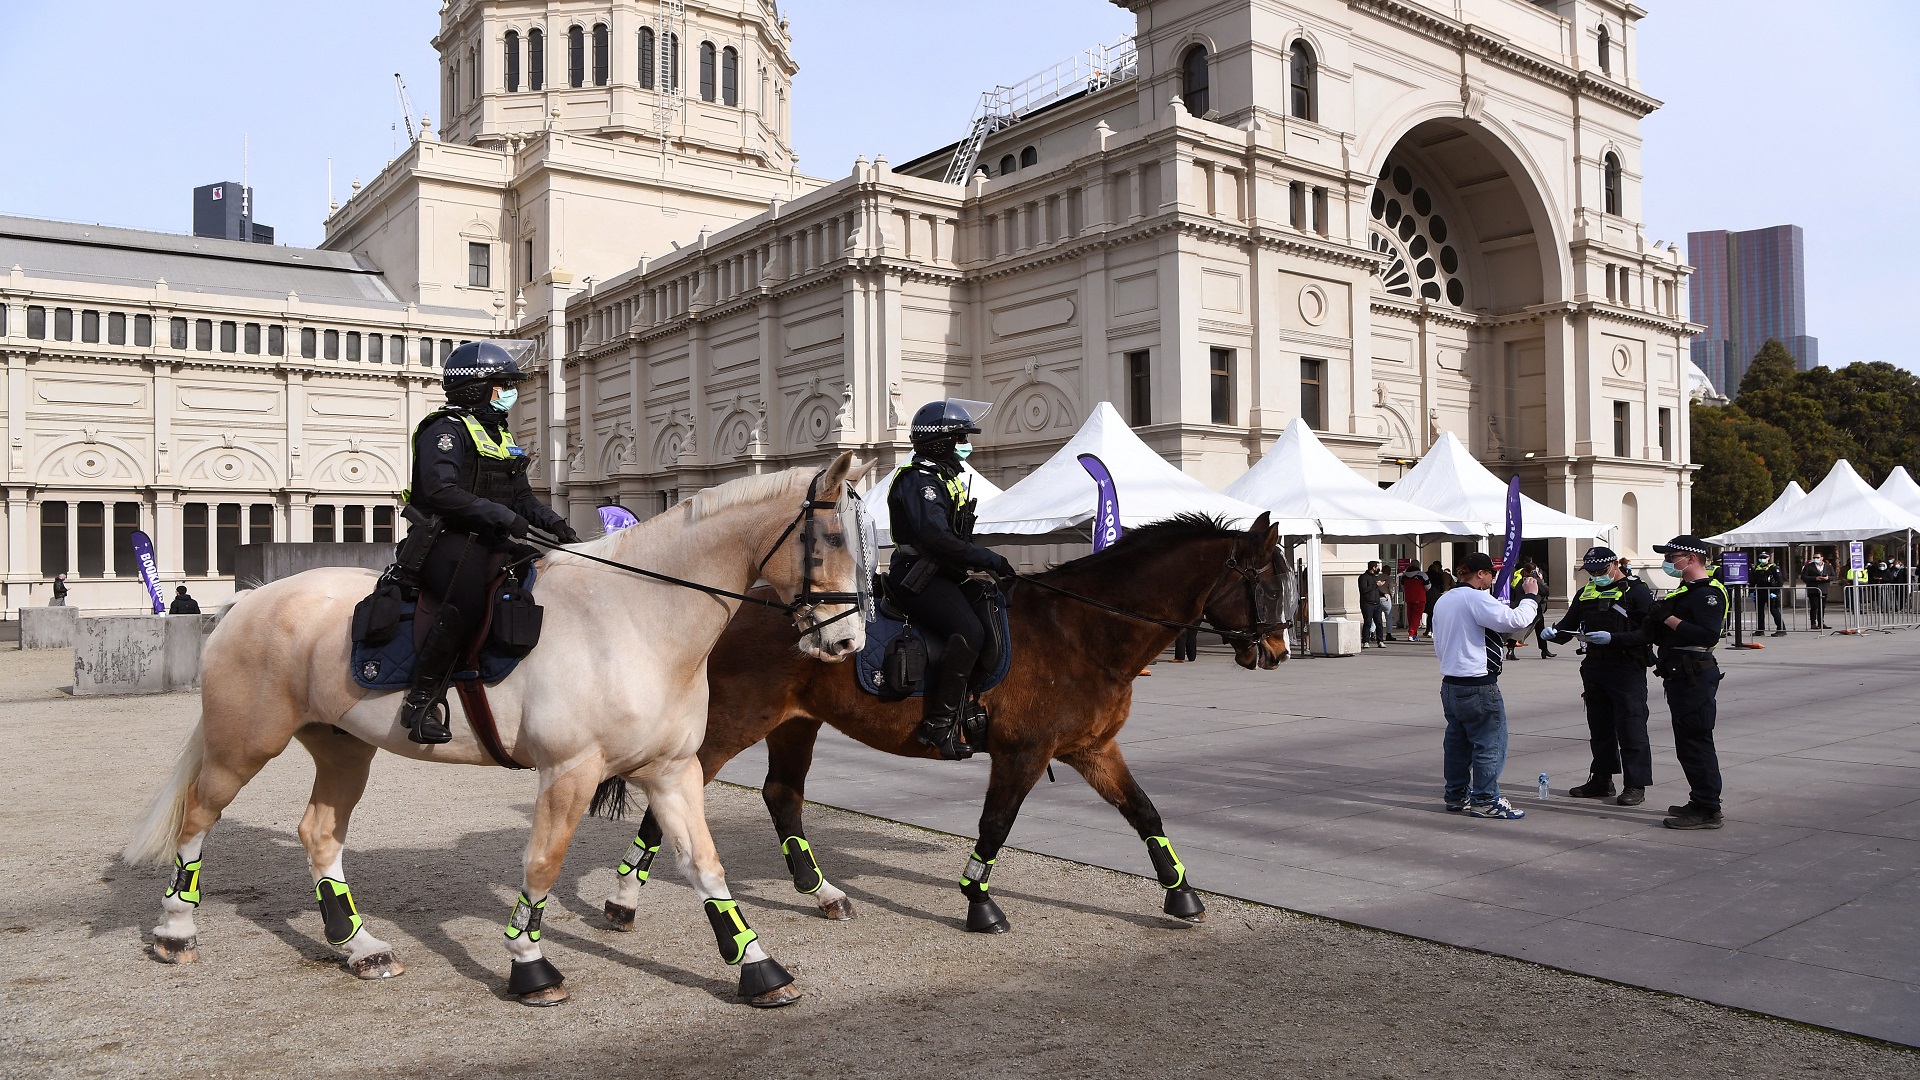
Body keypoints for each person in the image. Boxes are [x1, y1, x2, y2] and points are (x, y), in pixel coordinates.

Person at [398, 340, 579, 744]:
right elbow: (441, 491)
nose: (509, 393)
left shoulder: (497, 433)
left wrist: (558, 527)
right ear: (476, 388)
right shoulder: (443, 431)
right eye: (502, 384)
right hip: (448, 540)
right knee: (467, 602)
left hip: (493, 539)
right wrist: (505, 517)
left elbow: (522, 497)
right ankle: (421, 700)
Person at [887, 399, 1017, 761]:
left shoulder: (944, 479)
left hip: (941, 573)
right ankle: (938, 724)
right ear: (939, 443)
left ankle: (971, 706)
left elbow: (955, 541)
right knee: (970, 633)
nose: (967, 445)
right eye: (960, 437)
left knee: (989, 610)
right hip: (916, 576)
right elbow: (937, 539)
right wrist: (992, 561)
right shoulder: (919, 482)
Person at [1603, 536, 1728, 830]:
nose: (1669, 561)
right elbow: (1659, 633)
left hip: (1695, 675)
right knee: (1687, 744)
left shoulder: (1708, 593)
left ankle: (1709, 808)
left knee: (1696, 742)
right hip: (1680, 675)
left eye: (1674, 556)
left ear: (1693, 558)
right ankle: (1700, 799)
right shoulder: (1685, 592)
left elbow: (1708, 635)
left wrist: (1669, 619)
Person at [1430, 552, 1540, 819]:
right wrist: (1531, 597)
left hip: (1451, 681)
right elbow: (1515, 620)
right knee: (1490, 744)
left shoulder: (1445, 599)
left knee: (1457, 744)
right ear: (1479, 574)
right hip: (1478, 682)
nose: (1493, 577)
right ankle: (1486, 799)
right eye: (1490, 573)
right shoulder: (1475, 597)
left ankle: (1456, 795)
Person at [1540, 547, 1654, 806]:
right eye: (1590, 572)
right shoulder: (1586, 592)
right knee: (1600, 727)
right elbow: (1568, 627)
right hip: (1595, 667)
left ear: (1614, 565)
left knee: (1631, 727)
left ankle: (1635, 784)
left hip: (1626, 667)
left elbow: (1649, 633)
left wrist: (1615, 638)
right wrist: (1552, 634)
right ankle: (1602, 779)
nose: (1595, 576)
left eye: (1600, 571)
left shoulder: (1635, 591)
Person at [1752, 551, 1786, 636]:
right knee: (1759, 611)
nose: (1762, 559)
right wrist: (1751, 592)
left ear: (1768, 558)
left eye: (1764, 557)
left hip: (1771, 591)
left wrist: (1776, 592)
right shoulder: (1757, 568)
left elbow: (1780, 581)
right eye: (1761, 557)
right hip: (1760, 591)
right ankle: (1760, 629)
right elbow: (1753, 581)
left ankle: (1781, 629)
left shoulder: (1773, 568)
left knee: (1774, 610)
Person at [1358, 561, 1389, 648]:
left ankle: (1380, 641)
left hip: (1376, 603)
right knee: (1367, 622)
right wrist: (1375, 584)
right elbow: (1364, 590)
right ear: (1373, 567)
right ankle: (1365, 641)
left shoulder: (1375, 577)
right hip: (1367, 603)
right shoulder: (1363, 577)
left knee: (1379, 623)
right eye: (1377, 567)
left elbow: (1376, 590)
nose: (1379, 569)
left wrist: (1383, 594)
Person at [1800, 552, 1830, 630]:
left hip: (1823, 589)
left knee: (1822, 607)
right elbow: (1803, 577)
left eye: (1817, 557)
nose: (1816, 559)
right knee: (1814, 606)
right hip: (1813, 589)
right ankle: (1813, 623)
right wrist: (1815, 578)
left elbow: (1834, 575)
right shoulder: (1808, 567)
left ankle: (1821, 623)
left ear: (1822, 558)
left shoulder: (1827, 566)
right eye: (1814, 557)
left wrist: (1827, 578)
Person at [1401, 563, 1429, 642]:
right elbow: (1428, 586)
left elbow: (1403, 587)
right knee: (1416, 617)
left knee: (1410, 616)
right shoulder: (1422, 575)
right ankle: (1412, 634)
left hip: (1409, 597)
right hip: (1420, 598)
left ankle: (1414, 634)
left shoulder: (1404, 576)